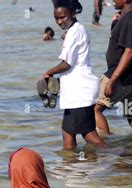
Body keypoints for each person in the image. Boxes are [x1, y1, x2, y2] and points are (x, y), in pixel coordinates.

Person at [42, 0, 107, 149]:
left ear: (73, 12)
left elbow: (67, 63)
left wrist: (48, 72)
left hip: (80, 91)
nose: (59, 21)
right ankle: (72, 167)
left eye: (63, 17)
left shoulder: (75, 32)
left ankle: (115, 158)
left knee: (89, 136)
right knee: (68, 134)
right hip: (77, 91)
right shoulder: (75, 30)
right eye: (56, 18)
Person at [94, 0, 132, 135]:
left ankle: (105, 150)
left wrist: (113, 79)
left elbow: (129, 51)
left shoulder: (131, 19)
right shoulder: (131, 16)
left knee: (92, 109)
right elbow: (121, 42)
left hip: (122, 77)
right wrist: (115, 24)